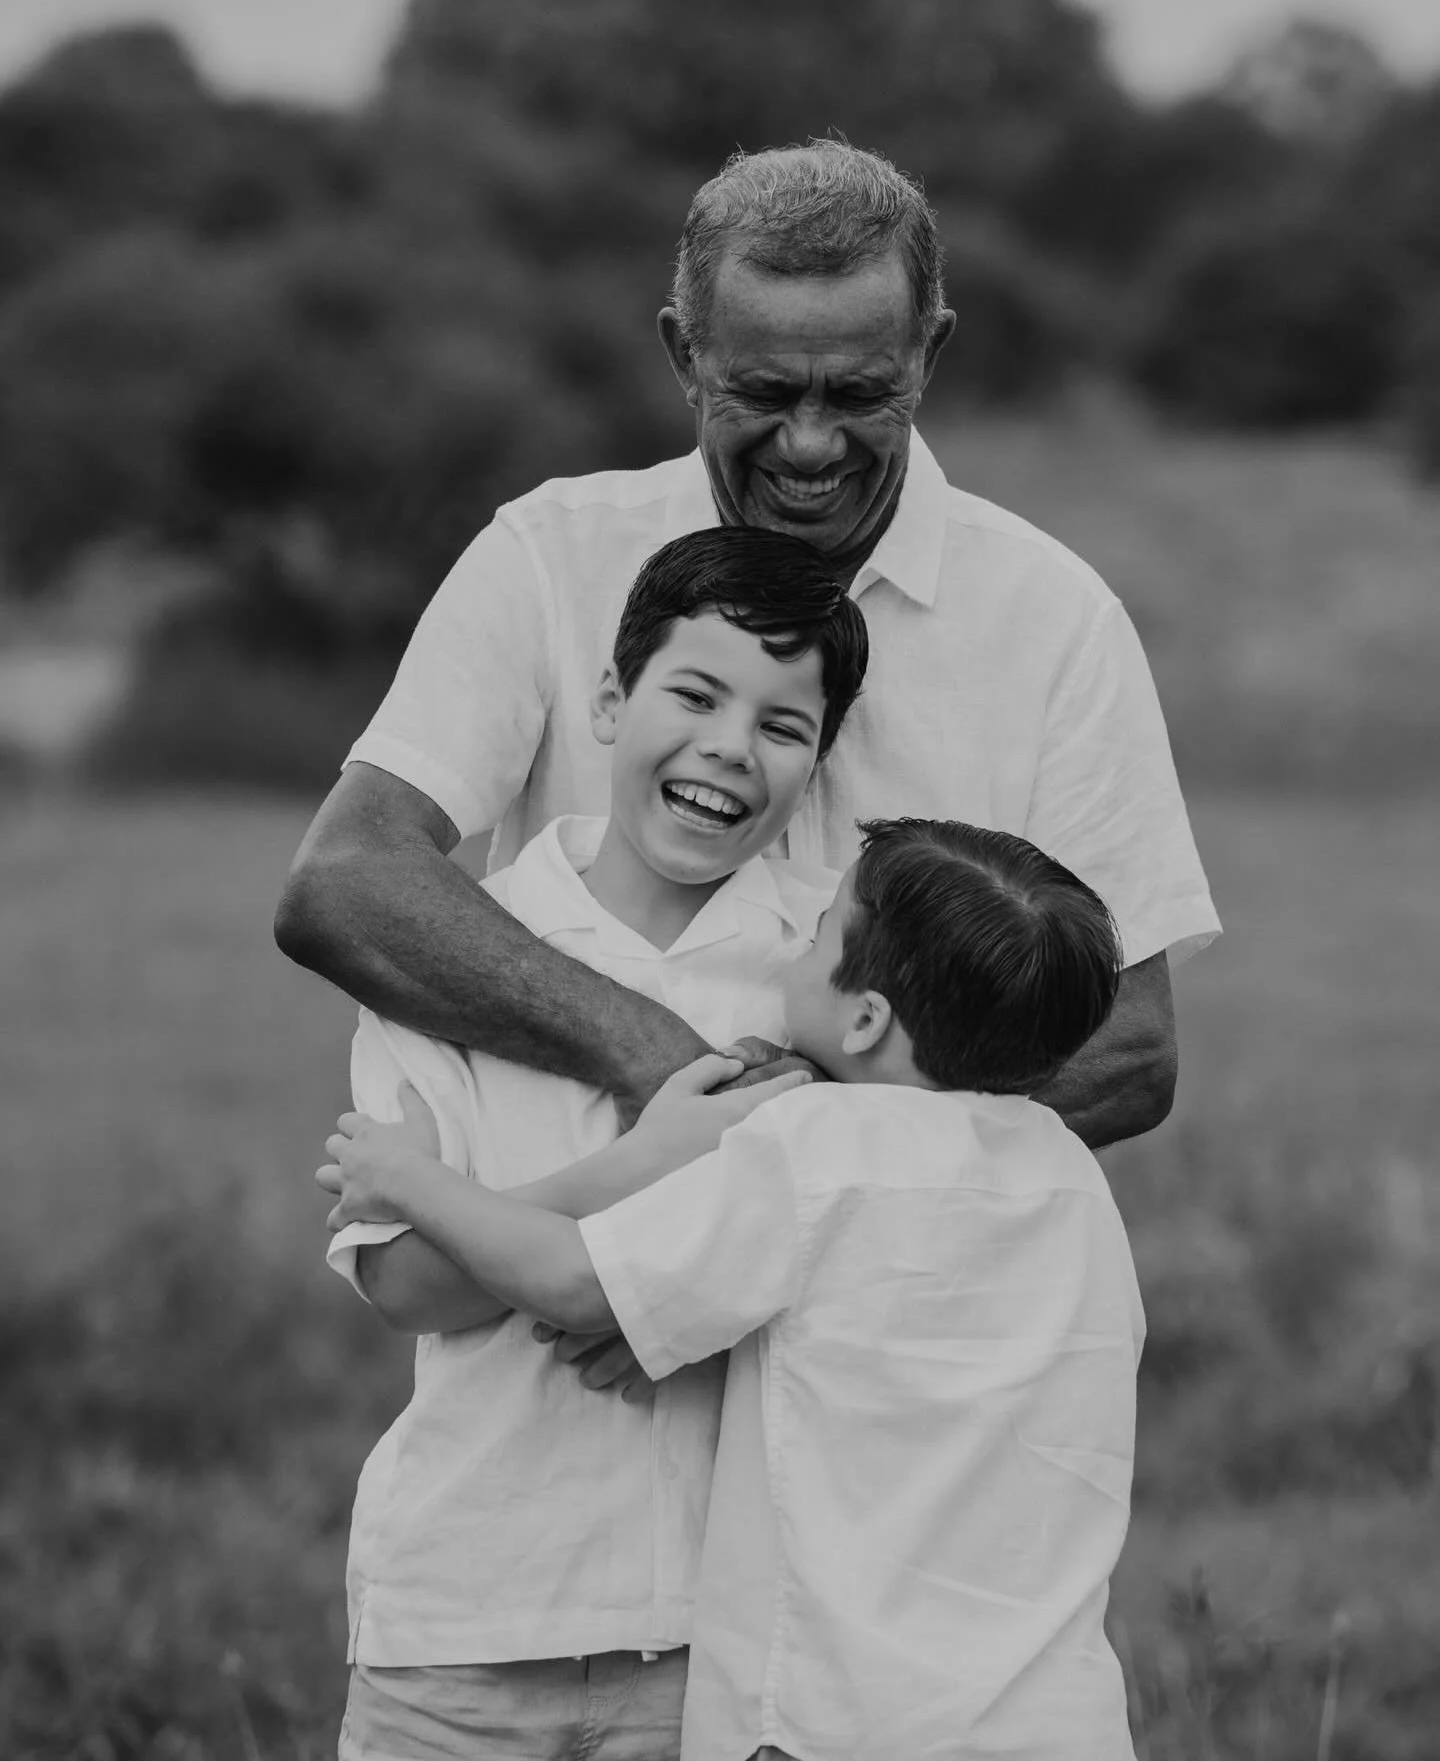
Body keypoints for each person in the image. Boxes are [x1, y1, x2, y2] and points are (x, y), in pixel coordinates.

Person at [277, 137, 1217, 1400]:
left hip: (880, 1410)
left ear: (931, 353)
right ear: (682, 355)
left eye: (862, 394)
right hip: (550, 1403)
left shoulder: (1053, 620)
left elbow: (1130, 1048)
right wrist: (655, 1058)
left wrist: (734, 1236)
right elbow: (345, 879)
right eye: (764, 392)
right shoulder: (550, 556)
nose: (813, 445)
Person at [320, 818, 1145, 1761]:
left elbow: (574, 1284)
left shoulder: (819, 1149)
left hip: (835, 1722)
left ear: (866, 1018)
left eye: (822, 930)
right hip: (1054, 1718)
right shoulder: (1072, 1178)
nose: (796, 942)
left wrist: (410, 1183)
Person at [324, 528, 869, 1760]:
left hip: (716, 1641)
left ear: (818, 761)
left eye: (784, 726)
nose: (732, 745)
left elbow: (860, 1252)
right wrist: (653, 1162)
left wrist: (661, 1300)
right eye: (695, 693)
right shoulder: (461, 948)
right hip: (457, 1624)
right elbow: (407, 1287)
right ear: (613, 704)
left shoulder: (824, 974)